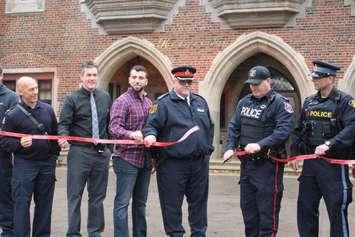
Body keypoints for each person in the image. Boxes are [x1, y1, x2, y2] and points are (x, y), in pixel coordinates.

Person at [143, 65, 214, 237]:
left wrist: (206, 150)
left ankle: (199, 233)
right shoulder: (162, 104)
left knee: (198, 203)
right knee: (171, 204)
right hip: (173, 164)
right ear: (174, 81)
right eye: (183, 82)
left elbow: (209, 128)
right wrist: (151, 137)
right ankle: (175, 234)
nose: (187, 85)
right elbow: (150, 126)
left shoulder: (200, 102)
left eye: (189, 82)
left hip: (199, 164)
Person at [223, 65, 294, 237]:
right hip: (247, 167)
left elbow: (283, 132)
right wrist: (230, 146)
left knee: (267, 216)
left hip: (268, 166)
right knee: (249, 214)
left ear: (268, 82)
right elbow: (234, 126)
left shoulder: (280, 104)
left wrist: (260, 145)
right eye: (251, 84)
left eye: (257, 83)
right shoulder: (244, 102)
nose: (253, 87)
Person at [290, 60, 355, 237]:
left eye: (319, 77)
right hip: (311, 164)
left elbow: (352, 128)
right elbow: (300, 129)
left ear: (331, 78)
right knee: (305, 208)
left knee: (336, 209)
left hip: (333, 165)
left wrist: (329, 143)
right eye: (314, 77)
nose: (315, 80)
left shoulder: (345, 102)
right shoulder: (309, 102)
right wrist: (294, 154)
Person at [0, 76, 60, 237]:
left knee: (44, 207)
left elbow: (55, 134)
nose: (36, 92)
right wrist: (19, 144)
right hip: (24, 166)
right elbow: (4, 141)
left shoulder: (48, 109)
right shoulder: (12, 115)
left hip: (47, 165)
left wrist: (56, 152)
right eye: (31, 89)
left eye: (36, 88)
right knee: (21, 207)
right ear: (20, 92)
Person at [58, 61, 112, 237]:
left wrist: (109, 149)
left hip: (101, 154)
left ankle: (95, 232)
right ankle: (73, 233)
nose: (92, 78)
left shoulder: (105, 97)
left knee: (97, 197)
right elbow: (64, 123)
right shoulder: (71, 98)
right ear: (81, 77)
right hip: (79, 153)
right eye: (88, 75)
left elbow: (109, 125)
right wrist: (63, 136)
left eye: (94, 75)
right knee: (75, 196)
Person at [109, 65, 153, 237]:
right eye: (134, 77)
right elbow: (113, 128)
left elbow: (152, 128)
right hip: (126, 158)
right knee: (122, 203)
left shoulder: (150, 103)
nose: (137, 80)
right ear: (129, 79)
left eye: (141, 78)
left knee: (140, 203)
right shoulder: (122, 101)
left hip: (145, 159)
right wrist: (130, 134)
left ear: (146, 81)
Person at [0, 65, 18, 237]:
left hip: (3, 155)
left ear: (1, 76)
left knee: (4, 192)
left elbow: (14, 125)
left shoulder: (11, 97)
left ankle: (7, 229)